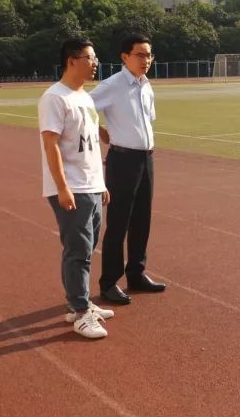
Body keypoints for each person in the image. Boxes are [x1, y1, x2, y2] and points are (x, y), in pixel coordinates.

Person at [38, 38, 113, 339]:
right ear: (71, 60)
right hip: (72, 187)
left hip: (92, 185)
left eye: (95, 57)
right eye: (89, 57)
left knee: (86, 247)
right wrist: (62, 187)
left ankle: (79, 304)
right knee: (78, 250)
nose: (95, 63)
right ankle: (80, 312)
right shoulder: (55, 98)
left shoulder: (85, 97)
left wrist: (101, 184)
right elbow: (50, 144)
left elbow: (92, 144)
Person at [91, 34, 165, 305]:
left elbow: (148, 121)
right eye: (140, 55)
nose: (146, 60)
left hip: (146, 160)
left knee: (142, 220)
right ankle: (109, 282)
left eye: (149, 55)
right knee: (118, 223)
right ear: (125, 57)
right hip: (123, 160)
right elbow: (83, 108)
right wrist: (99, 130)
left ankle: (136, 273)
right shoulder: (112, 85)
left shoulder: (146, 86)